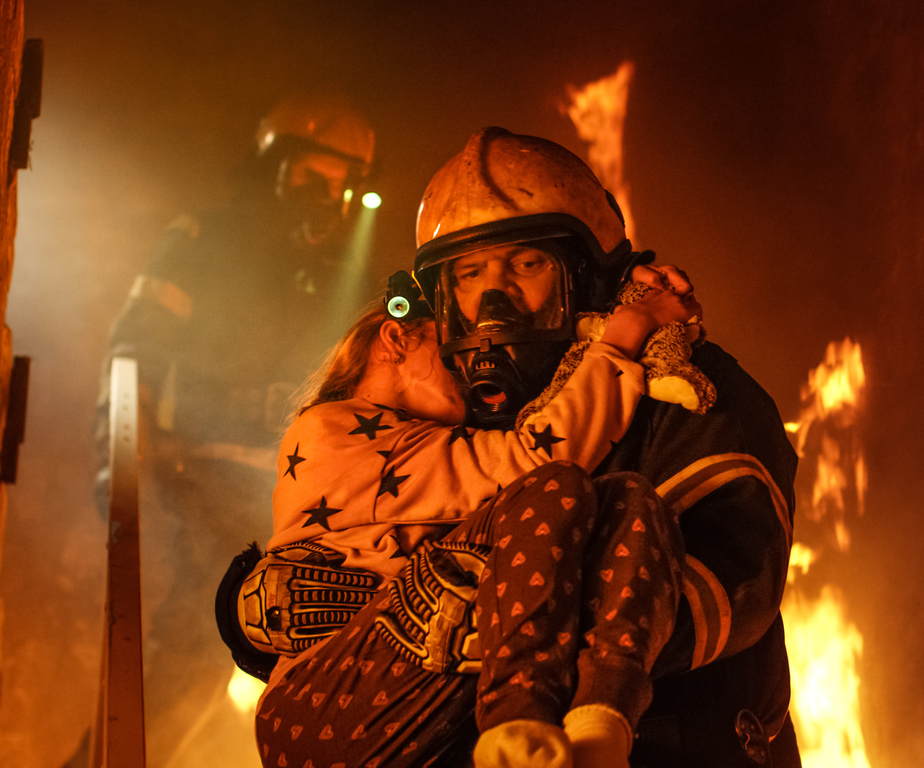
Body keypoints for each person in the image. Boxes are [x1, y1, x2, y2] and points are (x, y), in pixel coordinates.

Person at [410, 128, 800, 767]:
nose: (491, 302)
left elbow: (732, 582)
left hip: (675, 745)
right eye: (469, 273)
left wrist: (502, 631)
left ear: (588, 275)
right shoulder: (445, 418)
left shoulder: (690, 391)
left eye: (526, 264)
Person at [238, 262, 698, 768]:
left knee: (628, 501)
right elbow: (537, 460)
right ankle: (518, 731)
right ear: (396, 338)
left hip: (405, 698)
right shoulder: (331, 428)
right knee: (553, 486)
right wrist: (627, 330)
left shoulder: (413, 449)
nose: (469, 368)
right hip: (323, 706)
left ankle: (599, 738)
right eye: (448, 350)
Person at [96, 91, 378, 767]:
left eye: (341, 184)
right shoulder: (206, 240)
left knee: (308, 667)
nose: (325, 195)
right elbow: (133, 347)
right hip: (203, 467)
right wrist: (117, 461)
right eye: (311, 175)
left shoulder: (348, 272)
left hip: (305, 492)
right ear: (272, 167)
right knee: (199, 644)